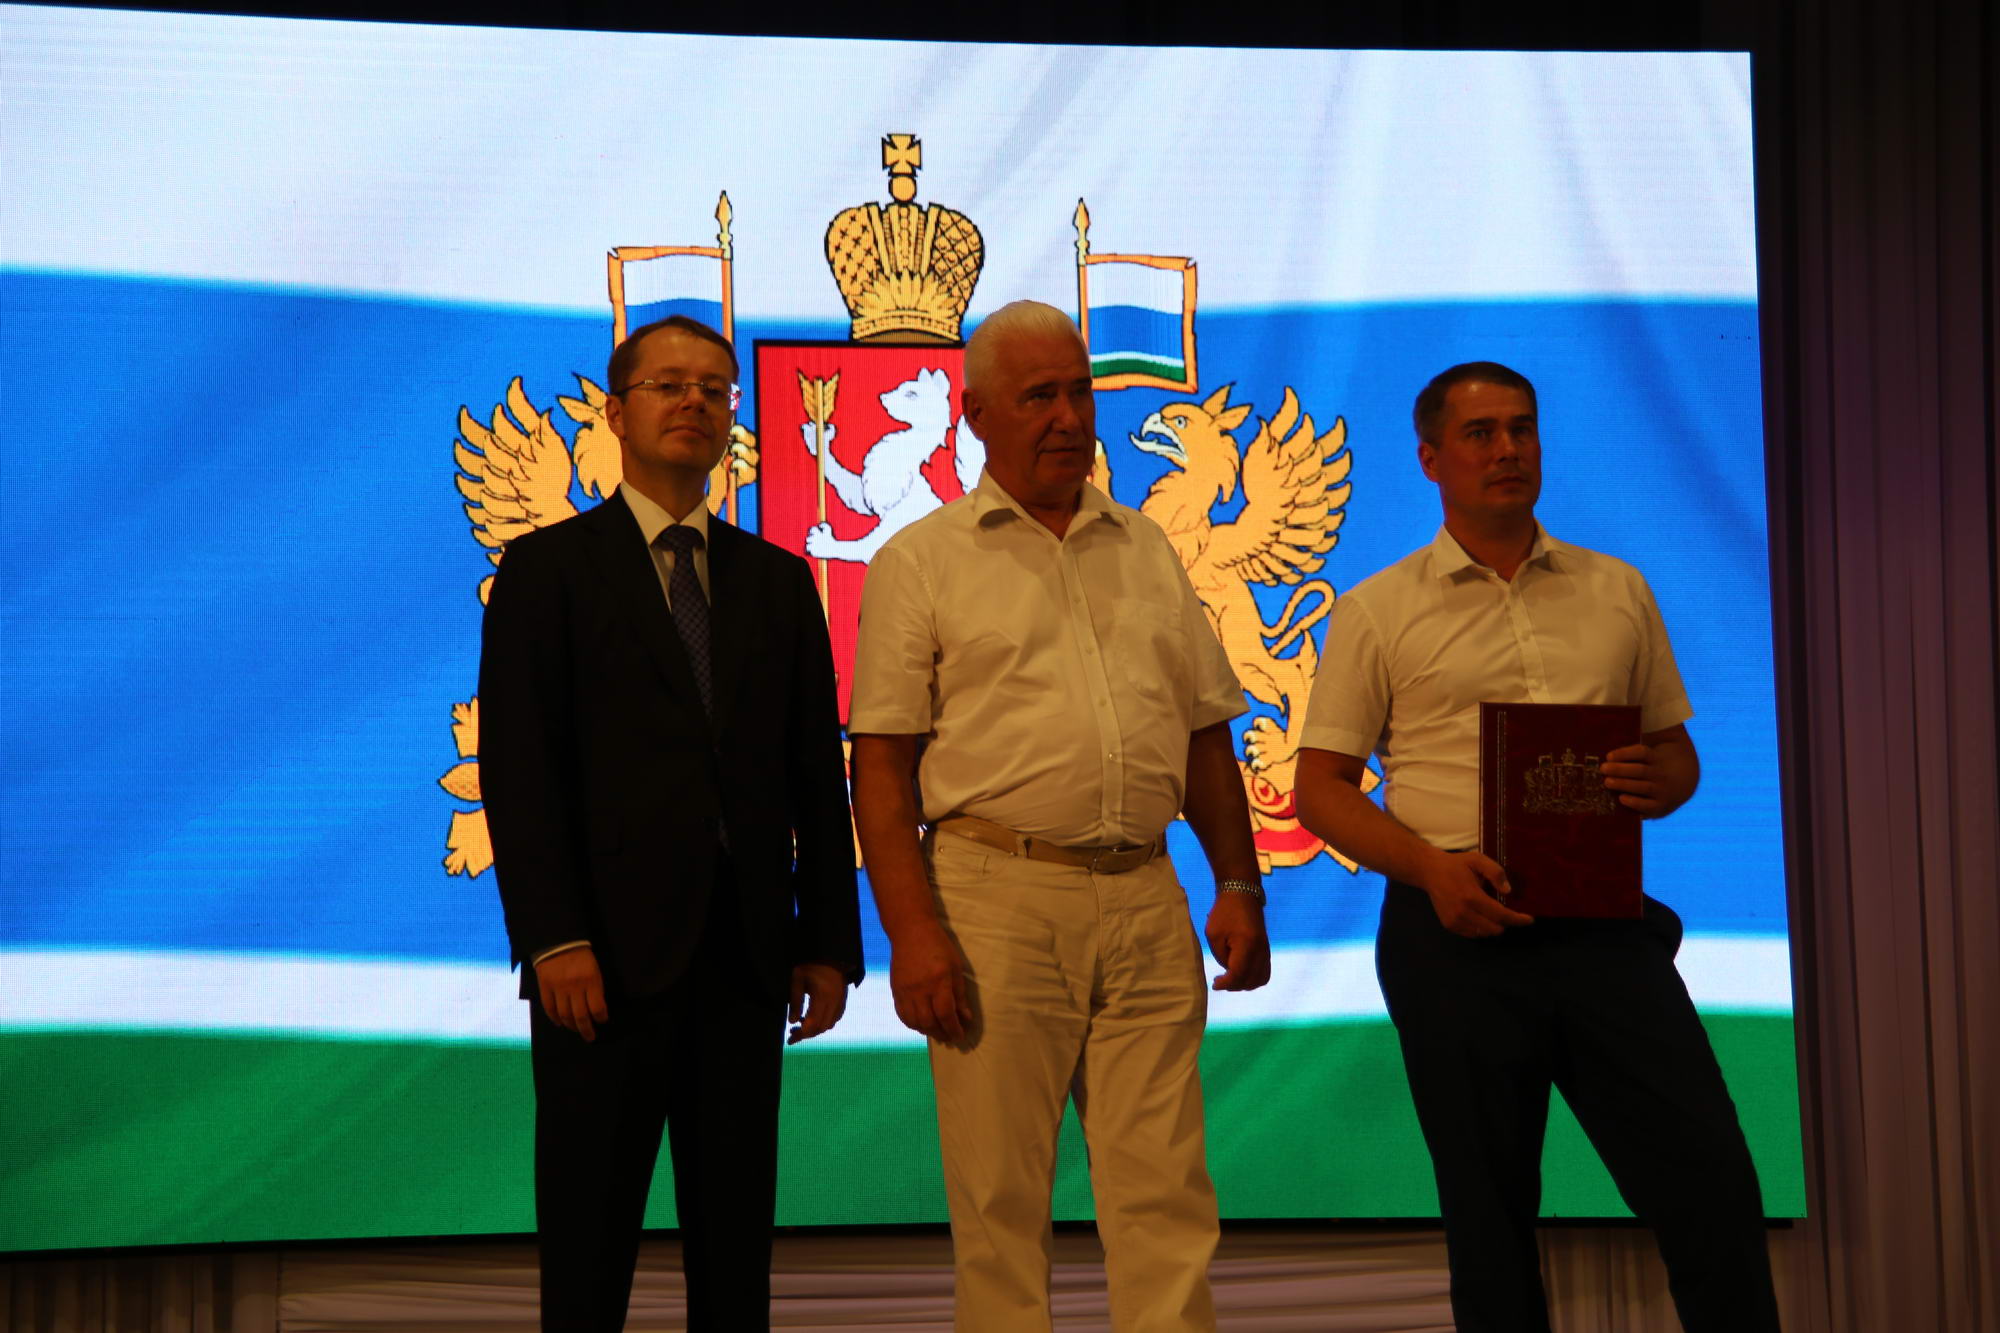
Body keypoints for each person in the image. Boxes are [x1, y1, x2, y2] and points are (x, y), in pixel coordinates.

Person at [1294, 362, 1781, 1332]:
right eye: (1479, 433)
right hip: (1453, 930)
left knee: (1712, 1187)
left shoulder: (1616, 589)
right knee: (1489, 1220)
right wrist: (1429, 869)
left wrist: (1661, 781)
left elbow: (1674, 757)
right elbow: (1319, 791)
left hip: (1603, 926)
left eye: (1521, 428)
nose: (1507, 448)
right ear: (1430, 459)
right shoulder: (1377, 608)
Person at [847, 299, 1272, 1332]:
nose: (1068, 417)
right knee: (999, 1212)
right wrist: (912, 934)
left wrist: (1238, 882)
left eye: (1079, 392)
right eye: (1039, 396)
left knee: (1167, 1200)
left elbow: (1203, 735)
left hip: (1146, 897)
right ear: (976, 416)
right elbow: (881, 769)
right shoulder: (921, 560)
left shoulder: (1148, 548)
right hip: (991, 902)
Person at [479, 314, 863, 1331]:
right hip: (598, 969)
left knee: (734, 1263)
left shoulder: (778, 581)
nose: (694, 401)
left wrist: (827, 941)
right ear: (616, 412)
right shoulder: (546, 570)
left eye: (714, 388)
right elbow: (519, 771)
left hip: (745, 965)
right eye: (668, 384)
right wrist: (553, 937)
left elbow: (813, 776)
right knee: (588, 1253)